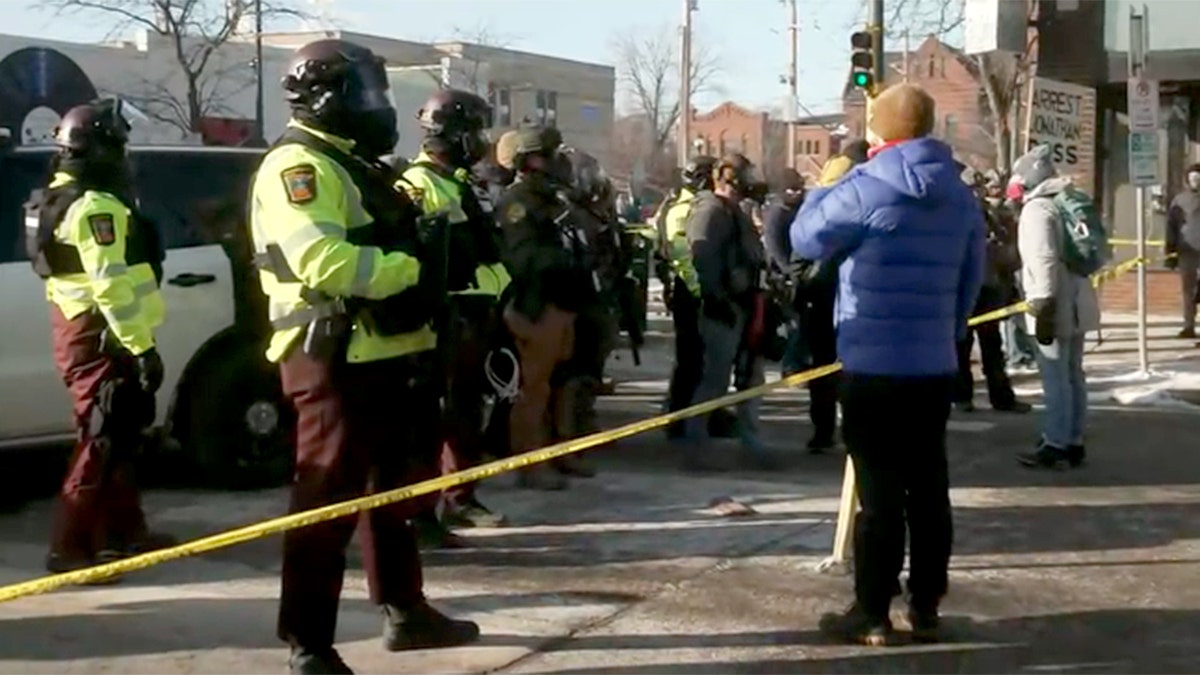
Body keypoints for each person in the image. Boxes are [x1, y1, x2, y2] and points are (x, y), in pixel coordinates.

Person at [250, 39, 479, 674]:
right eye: (368, 94)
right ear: (327, 98)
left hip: (387, 353)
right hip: (333, 356)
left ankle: (406, 611)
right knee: (325, 505)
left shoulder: (355, 164)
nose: (379, 107)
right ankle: (308, 646)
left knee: (395, 496)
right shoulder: (299, 166)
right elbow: (322, 261)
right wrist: (412, 268)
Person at [791, 83, 984, 645]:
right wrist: (948, 334)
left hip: (871, 362)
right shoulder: (959, 193)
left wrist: (826, 184)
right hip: (932, 363)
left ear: (880, 128)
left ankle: (872, 610)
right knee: (929, 489)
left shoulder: (867, 185)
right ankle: (926, 605)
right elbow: (971, 277)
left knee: (879, 495)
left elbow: (805, 239)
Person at [26, 97, 174, 576]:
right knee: (100, 436)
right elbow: (110, 286)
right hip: (102, 334)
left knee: (119, 433)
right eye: (119, 145)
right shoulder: (94, 207)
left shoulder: (57, 197)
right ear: (103, 149)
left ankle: (124, 533)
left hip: (84, 329)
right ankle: (68, 547)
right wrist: (141, 347)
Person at [397, 89, 511, 541]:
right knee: (429, 420)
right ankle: (421, 512)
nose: (481, 141)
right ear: (453, 133)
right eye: (475, 131)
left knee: (467, 414)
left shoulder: (462, 182)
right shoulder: (418, 184)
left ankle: (461, 497)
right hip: (446, 316)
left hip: (478, 315)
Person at [496, 127, 593, 490]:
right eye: (548, 155)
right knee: (533, 390)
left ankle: (560, 451)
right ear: (529, 161)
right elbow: (523, 257)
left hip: (565, 302)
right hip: (537, 306)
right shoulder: (517, 202)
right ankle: (530, 463)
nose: (557, 162)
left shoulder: (554, 198)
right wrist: (565, 261)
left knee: (563, 384)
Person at [1007, 144, 1100, 470]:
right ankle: (1073, 440)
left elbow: (1043, 261)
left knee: (1055, 378)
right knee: (1074, 375)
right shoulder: (1066, 202)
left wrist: (1042, 305)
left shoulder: (1037, 210)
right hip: (1079, 301)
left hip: (1054, 304)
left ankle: (1055, 443)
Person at [682, 153, 774, 470]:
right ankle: (695, 446)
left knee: (752, 379)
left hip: (747, 304)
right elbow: (703, 258)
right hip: (724, 308)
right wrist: (717, 299)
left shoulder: (736, 211)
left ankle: (751, 443)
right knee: (714, 381)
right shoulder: (710, 211)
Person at [954, 167, 1030, 414]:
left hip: (988, 286)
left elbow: (1007, 251)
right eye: (972, 188)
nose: (977, 193)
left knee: (992, 347)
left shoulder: (990, 214)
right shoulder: (954, 213)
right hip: (963, 287)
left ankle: (1001, 397)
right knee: (962, 346)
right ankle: (962, 396)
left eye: (979, 188)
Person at [1165, 163, 1200, 338]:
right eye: (1193, 178)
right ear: (1187, 180)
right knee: (1188, 290)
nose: (1196, 182)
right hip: (1187, 251)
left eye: (1198, 178)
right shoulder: (1180, 200)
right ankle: (1189, 326)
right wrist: (1169, 251)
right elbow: (1171, 226)